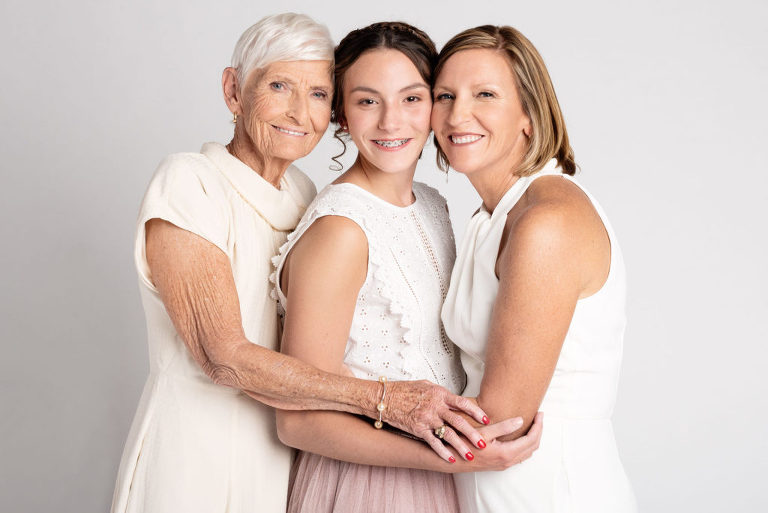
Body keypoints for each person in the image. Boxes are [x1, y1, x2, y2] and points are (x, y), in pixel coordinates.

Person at [110, 14, 499, 513]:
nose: (299, 112)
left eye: (317, 93)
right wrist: (386, 401)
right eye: (278, 85)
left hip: (280, 459)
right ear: (234, 91)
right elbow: (222, 354)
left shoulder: (300, 193)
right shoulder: (191, 182)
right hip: (201, 447)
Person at [273, 22, 543, 513]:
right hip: (370, 483)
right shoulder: (341, 230)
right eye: (367, 100)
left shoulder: (434, 206)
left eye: (412, 99)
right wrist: (448, 461)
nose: (390, 122)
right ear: (341, 114)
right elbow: (298, 420)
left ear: (437, 106)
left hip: (447, 474)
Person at [434, 25, 637, 512]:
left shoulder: (546, 222)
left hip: (547, 488)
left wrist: (362, 419)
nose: (458, 114)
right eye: (445, 95)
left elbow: (499, 422)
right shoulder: (494, 215)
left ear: (529, 114)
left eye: (485, 94)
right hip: (493, 485)